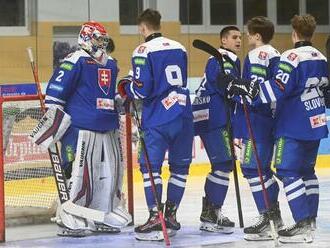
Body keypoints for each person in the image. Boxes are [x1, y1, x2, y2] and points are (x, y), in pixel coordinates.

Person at [227, 14, 329, 243]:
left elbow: (275, 89)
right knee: (307, 172)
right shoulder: (321, 57)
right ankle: (309, 220)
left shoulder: (291, 57)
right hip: (315, 122)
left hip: (292, 124)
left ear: (294, 33)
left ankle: (298, 221)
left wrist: (245, 89)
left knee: (285, 171)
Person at [36, 21, 131, 237]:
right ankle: (68, 216)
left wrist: (121, 100)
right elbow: (54, 96)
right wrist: (52, 125)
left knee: (105, 175)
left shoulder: (111, 63)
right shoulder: (74, 61)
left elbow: (105, 94)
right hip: (78, 129)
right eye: (98, 38)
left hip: (107, 128)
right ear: (86, 37)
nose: (101, 43)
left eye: (103, 40)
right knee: (74, 173)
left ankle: (100, 214)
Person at [117, 9, 193, 241]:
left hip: (159, 117)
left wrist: (126, 88)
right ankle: (170, 215)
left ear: (142, 28)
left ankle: (154, 216)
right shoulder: (179, 47)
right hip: (183, 113)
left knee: (150, 168)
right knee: (180, 169)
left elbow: (142, 88)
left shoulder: (142, 50)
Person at [235, 16, 283, 241]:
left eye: (248, 33)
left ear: (257, 36)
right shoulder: (277, 55)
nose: (246, 36)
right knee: (261, 169)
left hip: (255, 120)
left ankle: (269, 217)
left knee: (253, 169)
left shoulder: (256, 56)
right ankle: (273, 215)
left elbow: (252, 91)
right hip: (270, 120)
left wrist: (235, 87)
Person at [192, 26, 241, 233]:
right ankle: (212, 213)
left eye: (240, 37)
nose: (239, 40)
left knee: (222, 164)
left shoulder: (220, 58)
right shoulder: (224, 57)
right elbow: (224, 85)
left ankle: (210, 213)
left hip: (208, 115)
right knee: (223, 163)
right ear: (223, 40)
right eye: (234, 37)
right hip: (215, 116)